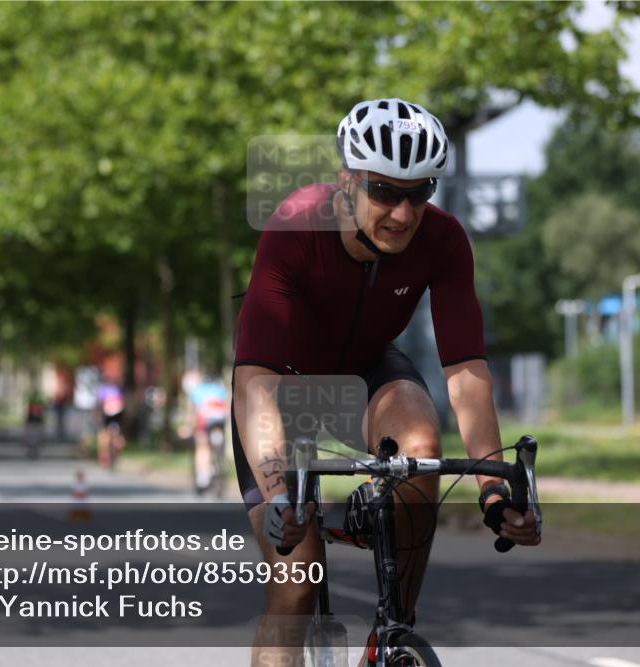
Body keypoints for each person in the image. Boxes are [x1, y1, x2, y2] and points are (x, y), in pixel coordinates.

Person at [232, 98, 539, 665]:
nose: (402, 213)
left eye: (419, 193)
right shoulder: (297, 226)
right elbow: (255, 378)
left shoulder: (443, 240)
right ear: (347, 180)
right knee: (298, 577)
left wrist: (493, 490)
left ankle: (392, 634)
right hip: (279, 388)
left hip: (368, 372)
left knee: (419, 451)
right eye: (384, 191)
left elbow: (466, 371)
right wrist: (278, 494)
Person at [184, 370, 229, 492]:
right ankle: (219, 452)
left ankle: (203, 477)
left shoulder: (197, 391)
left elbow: (192, 412)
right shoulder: (220, 389)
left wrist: (188, 427)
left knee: (202, 445)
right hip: (220, 419)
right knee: (218, 440)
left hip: (205, 419)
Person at [96, 377, 126, 468]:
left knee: (106, 435)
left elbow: (100, 403)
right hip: (115, 414)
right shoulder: (118, 388)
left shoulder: (104, 389)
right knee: (114, 435)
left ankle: (106, 456)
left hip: (110, 414)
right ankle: (112, 454)